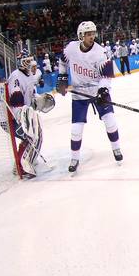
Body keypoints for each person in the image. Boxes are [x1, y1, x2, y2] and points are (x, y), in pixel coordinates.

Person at [56, 21, 122, 173]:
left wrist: (103, 90)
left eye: (93, 33)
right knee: (76, 129)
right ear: (81, 36)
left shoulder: (101, 52)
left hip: (97, 91)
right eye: (88, 34)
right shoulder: (71, 48)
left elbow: (107, 75)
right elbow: (62, 62)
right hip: (80, 94)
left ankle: (116, 149)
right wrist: (62, 78)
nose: (92, 36)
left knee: (110, 120)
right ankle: (74, 158)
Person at [2, 55, 54, 178]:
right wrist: (23, 117)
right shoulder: (16, 76)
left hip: (20, 114)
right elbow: (15, 101)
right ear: (23, 64)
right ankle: (21, 165)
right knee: (32, 136)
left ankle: (25, 160)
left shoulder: (30, 76)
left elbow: (31, 96)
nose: (33, 66)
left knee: (36, 135)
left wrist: (39, 100)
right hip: (9, 117)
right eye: (29, 63)